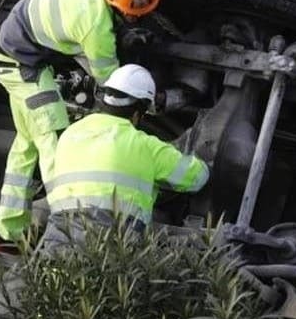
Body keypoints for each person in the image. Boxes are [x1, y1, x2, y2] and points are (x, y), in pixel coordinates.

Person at [0, 0, 162, 253]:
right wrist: (153, 102)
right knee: (54, 139)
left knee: (26, 144)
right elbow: (113, 86)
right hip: (22, 65)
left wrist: (126, 30)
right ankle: (68, 229)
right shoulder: (95, 29)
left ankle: (5, 230)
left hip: (14, 43)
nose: (136, 20)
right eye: (131, 16)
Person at [40, 64, 209, 248]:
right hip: (110, 238)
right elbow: (197, 178)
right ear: (138, 113)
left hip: (59, 232)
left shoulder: (70, 133)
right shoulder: (144, 145)